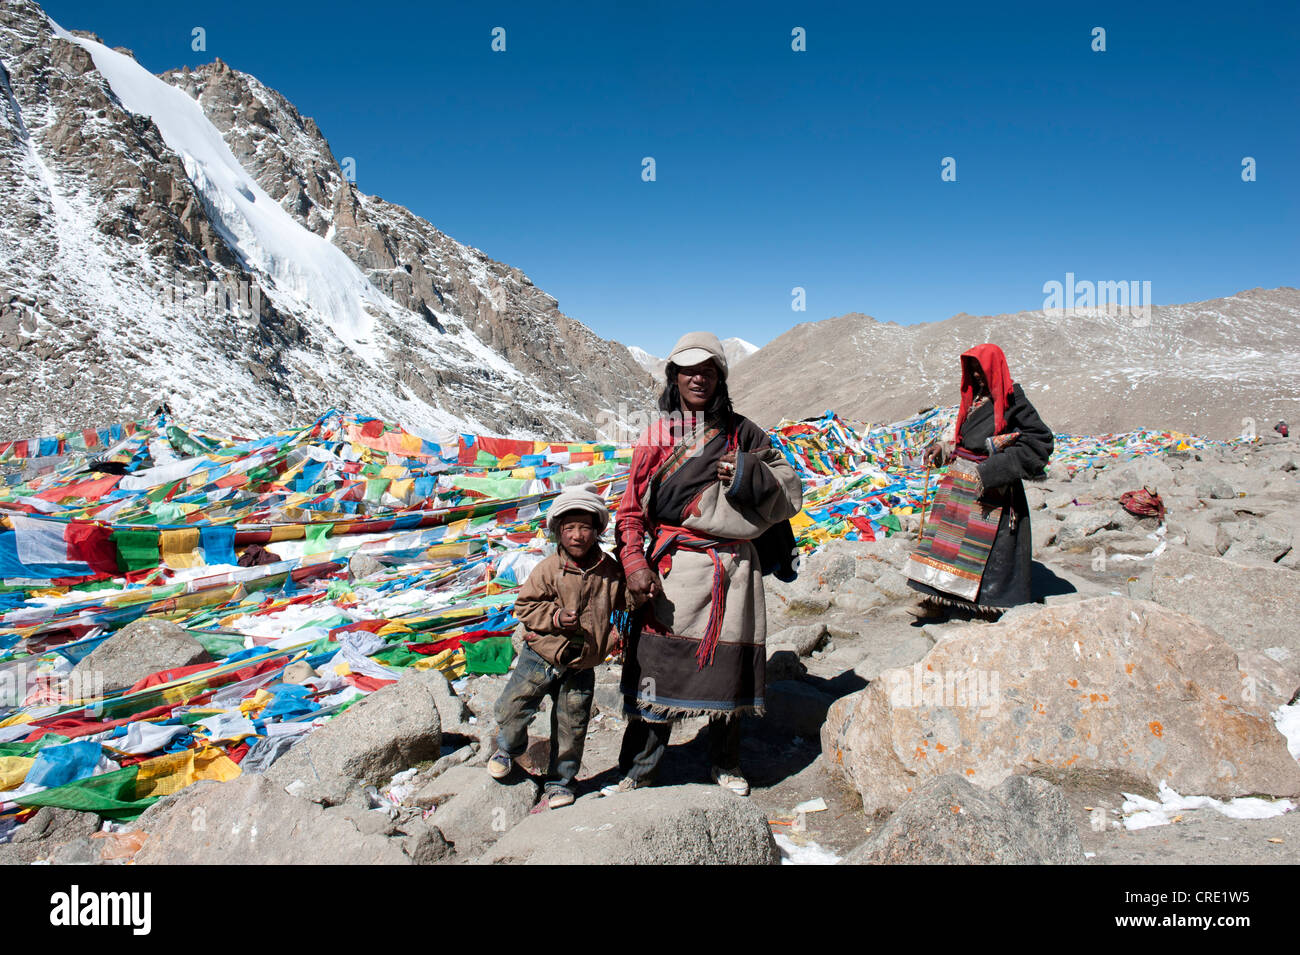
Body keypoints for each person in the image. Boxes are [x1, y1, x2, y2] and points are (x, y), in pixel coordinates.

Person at [604, 331, 803, 797]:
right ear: (674, 378)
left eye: (708, 370)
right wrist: (634, 564)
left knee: (728, 670)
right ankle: (639, 768)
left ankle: (726, 762)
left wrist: (745, 474)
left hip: (734, 568)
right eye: (688, 371)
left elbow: (790, 488)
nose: (698, 378)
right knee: (657, 666)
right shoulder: (656, 438)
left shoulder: (745, 432)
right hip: (675, 566)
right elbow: (631, 510)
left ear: (720, 378)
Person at [488, 481, 631, 809]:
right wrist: (554, 618)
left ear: (596, 530)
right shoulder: (548, 569)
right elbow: (524, 607)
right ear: (558, 532)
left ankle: (560, 782)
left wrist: (637, 589)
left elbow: (626, 603)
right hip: (540, 656)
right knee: (513, 707)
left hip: (582, 664)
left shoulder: (610, 571)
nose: (578, 535)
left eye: (584, 527)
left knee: (572, 725)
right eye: (570, 528)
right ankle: (509, 748)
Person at [905, 344, 1053, 619]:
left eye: (980, 370)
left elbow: (1039, 441)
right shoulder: (974, 400)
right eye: (971, 371)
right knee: (945, 545)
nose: (975, 377)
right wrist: (942, 449)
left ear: (994, 368)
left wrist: (994, 469)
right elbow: (964, 441)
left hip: (992, 488)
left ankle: (988, 608)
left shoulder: (1012, 399)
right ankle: (938, 599)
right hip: (959, 485)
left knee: (988, 551)